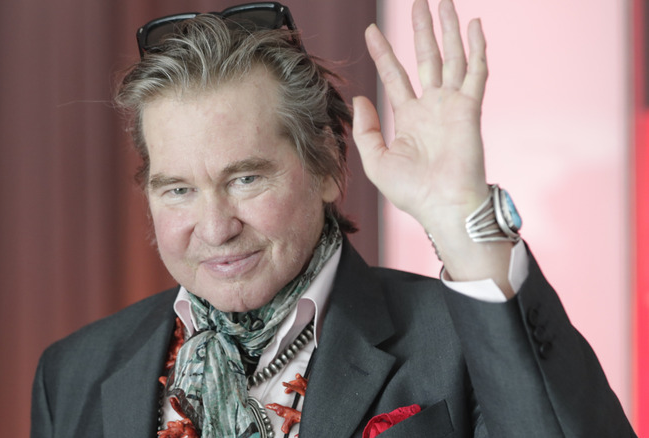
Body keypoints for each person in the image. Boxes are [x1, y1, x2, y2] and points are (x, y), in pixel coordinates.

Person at [31, 1, 636, 437]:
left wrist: (463, 222)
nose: (214, 227)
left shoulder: (457, 342)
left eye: (245, 178)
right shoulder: (75, 373)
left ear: (326, 167)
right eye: (179, 190)